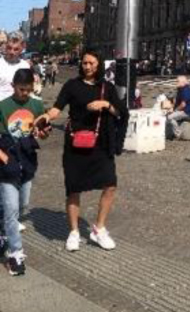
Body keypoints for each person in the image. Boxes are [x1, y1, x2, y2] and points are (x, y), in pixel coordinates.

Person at [39, 50, 127, 252]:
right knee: (73, 188)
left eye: (91, 63)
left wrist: (105, 104)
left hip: (101, 145)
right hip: (75, 144)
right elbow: (56, 108)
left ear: (99, 65)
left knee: (110, 184)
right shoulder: (72, 85)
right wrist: (45, 117)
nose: (87, 66)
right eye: (84, 62)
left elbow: (121, 112)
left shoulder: (107, 87)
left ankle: (99, 228)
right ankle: (74, 232)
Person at [0, 68, 45, 274]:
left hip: (27, 161)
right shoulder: (3, 106)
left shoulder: (36, 104)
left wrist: (43, 130)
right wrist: (5, 159)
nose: (25, 93)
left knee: (22, 204)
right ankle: (15, 253)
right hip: (7, 161)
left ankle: (3, 232)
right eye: (21, 90)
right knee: (11, 211)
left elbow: (41, 134)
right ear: (13, 86)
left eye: (28, 90)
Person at [166, 76, 190, 140]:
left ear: (183, 82)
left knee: (169, 117)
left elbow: (183, 105)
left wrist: (174, 111)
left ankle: (178, 133)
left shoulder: (186, 90)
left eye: (177, 81)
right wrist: (172, 108)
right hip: (182, 110)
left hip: (186, 112)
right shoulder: (180, 89)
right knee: (167, 115)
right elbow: (176, 102)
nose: (176, 82)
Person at [0, 36, 29, 101]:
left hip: (18, 105)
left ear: (21, 50)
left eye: (16, 49)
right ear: (5, 47)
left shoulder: (25, 65)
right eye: (9, 48)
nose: (11, 52)